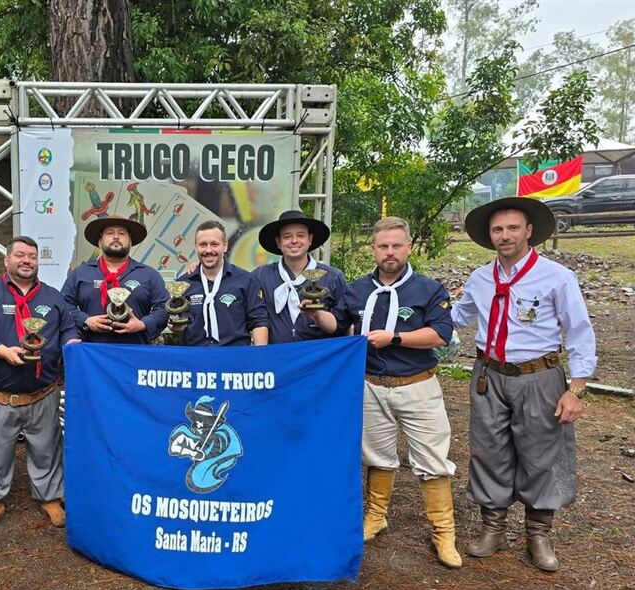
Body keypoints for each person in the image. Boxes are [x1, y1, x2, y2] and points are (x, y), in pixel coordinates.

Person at [452, 197, 596, 572]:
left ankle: (538, 534)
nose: (505, 236)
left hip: (538, 376)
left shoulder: (556, 277)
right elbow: (457, 317)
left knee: (541, 452)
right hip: (489, 375)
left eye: (513, 228)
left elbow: (580, 331)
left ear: (529, 231)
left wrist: (576, 388)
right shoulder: (481, 278)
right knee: (488, 449)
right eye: (498, 229)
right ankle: (493, 528)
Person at [334, 217, 460, 568]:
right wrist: (316, 315)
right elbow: (340, 327)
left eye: (396, 246)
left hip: (417, 383)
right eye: (383, 246)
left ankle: (443, 532)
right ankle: (376, 515)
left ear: (408, 248)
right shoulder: (357, 289)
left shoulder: (429, 289)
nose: (389, 252)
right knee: (376, 455)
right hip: (371, 385)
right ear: (373, 249)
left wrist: (397, 338)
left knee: (432, 460)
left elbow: (441, 335)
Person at [0, 236, 79, 535]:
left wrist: (71, 343)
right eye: (20, 255)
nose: (26, 260)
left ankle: (50, 498)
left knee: (47, 450)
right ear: (7, 260)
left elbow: (67, 328)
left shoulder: (53, 297)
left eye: (32, 256)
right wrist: (2, 350)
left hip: (43, 394)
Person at [62, 216, 168, 344]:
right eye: (110, 233)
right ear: (100, 242)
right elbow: (64, 304)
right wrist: (85, 320)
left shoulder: (149, 275)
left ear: (130, 241)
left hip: (135, 353)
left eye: (122, 233)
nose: (116, 237)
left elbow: (164, 308)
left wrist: (142, 324)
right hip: (92, 354)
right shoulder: (81, 274)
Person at [252, 210, 347, 342]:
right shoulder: (261, 276)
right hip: (278, 358)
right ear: (278, 242)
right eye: (287, 236)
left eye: (301, 235)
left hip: (320, 359)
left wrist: (317, 314)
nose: (294, 241)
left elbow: (344, 325)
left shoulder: (333, 277)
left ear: (310, 239)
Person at [178, 221, 269, 346]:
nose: (208, 250)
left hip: (234, 360)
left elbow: (259, 321)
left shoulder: (246, 280)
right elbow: (177, 323)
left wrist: (260, 357)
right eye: (203, 244)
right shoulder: (183, 284)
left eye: (214, 244)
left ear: (225, 246)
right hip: (196, 360)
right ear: (196, 247)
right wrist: (175, 326)